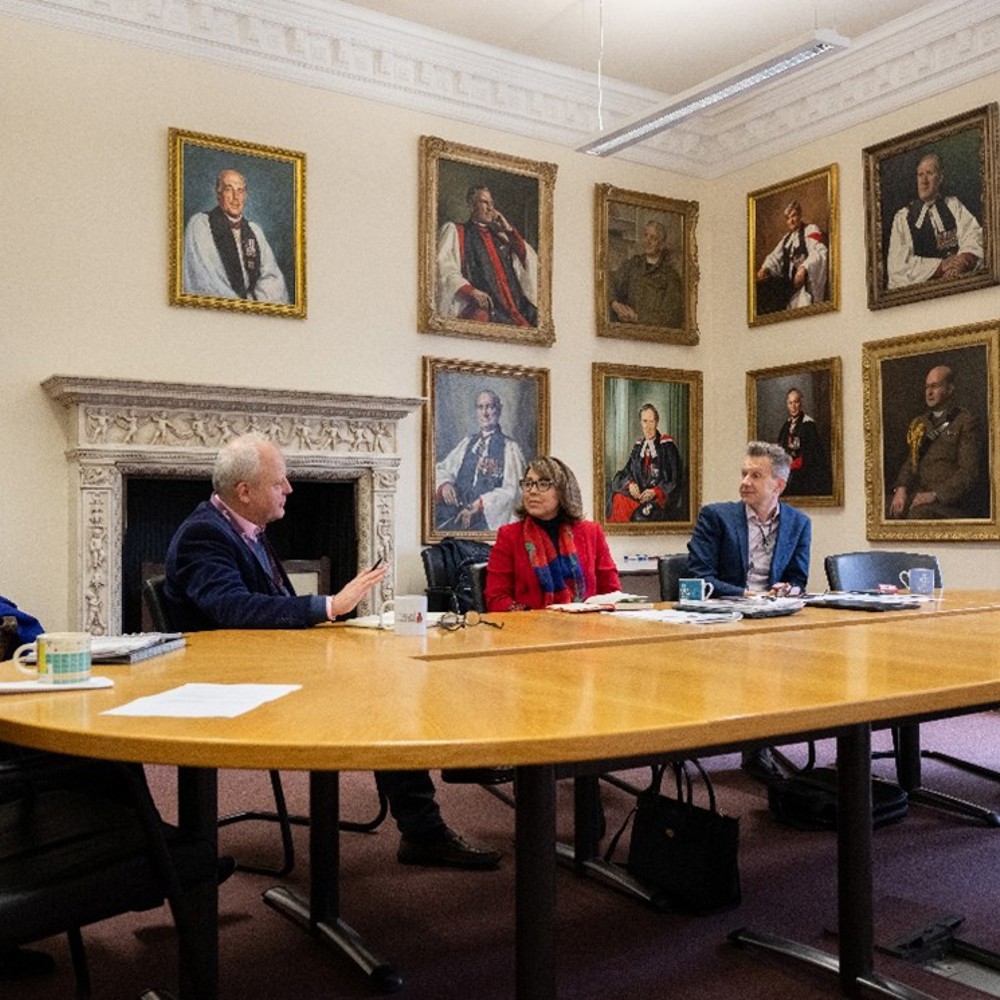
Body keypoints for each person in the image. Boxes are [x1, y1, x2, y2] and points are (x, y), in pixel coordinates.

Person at [163, 433, 501, 870]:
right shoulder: (204, 535)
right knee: (384, 695)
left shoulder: (245, 528)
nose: (289, 489)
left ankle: (425, 824)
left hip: (268, 663)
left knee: (385, 678)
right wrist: (329, 606)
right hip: (232, 683)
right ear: (244, 491)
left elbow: (266, 603)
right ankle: (423, 830)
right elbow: (231, 608)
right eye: (278, 482)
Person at [687, 441, 812, 781]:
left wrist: (788, 589)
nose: (745, 482)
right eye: (744, 473)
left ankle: (761, 746)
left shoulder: (799, 523)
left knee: (794, 658)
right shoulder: (716, 517)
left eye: (756, 476)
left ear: (778, 485)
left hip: (769, 618)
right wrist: (748, 594)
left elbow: (797, 577)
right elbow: (700, 576)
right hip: (721, 616)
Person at [484, 456, 620, 611]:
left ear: (563, 490)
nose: (532, 491)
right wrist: (534, 618)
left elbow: (612, 593)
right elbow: (496, 598)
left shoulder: (592, 533)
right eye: (528, 484)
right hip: (531, 630)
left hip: (587, 629)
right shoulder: (509, 536)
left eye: (543, 484)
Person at [888, 365, 984, 520]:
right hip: (918, 497)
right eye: (927, 387)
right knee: (885, 510)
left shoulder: (965, 421)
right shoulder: (921, 423)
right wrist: (901, 488)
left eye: (935, 386)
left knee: (917, 516)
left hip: (948, 504)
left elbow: (969, 472)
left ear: (950, 389)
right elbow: (911, 461)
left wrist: (935, 494)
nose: (929, 392)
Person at [435, 185, 538, 327]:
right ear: (471, 206)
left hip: (517, 311)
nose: (490, 208)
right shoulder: (457, 232)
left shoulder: (501, 237)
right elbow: (443, 267)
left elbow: (526, 259)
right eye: (484, 202)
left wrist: (509, 230)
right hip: (488, 310)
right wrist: (471, 291)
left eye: (492, 203)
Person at [183, 168, 290, 303]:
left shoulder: (255, 231)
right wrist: (239, 305)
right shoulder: (201, 225)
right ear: (218, 194)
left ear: (245, 195)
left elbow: (272, 279)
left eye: (240, 191)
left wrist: (255, 304)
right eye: (229, 189)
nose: (236, 197)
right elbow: (205, 280)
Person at [886, 152, 983, 290]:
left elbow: (974, 236)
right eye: (920, 175)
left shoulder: (953, 205)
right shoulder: (903, 217)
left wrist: (962, 262)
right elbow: (899, 266)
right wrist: (941, 266)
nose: (924, 181)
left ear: (940, 178)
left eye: (929, 173)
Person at [434, 389, 526, 531]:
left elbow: (514, 492)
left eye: (490, 406)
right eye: (481, 407)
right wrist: (445, 484)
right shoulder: (467, 443)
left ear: (499, 410)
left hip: (487, 521)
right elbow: (442, 468)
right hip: (455, 516)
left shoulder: (510, 448)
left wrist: (480, 504)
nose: (485, 413)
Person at [608, 403, 684, 522]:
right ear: (640, 423)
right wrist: (631, 484)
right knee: (618, 499)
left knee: (640, 516)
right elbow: (627, 472)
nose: (648, 427)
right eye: (644, 421)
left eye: (651, 422)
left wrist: (655, 491)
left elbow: (674, 478)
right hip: (639, 497)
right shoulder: (638, 447)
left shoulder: (667, 446)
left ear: (657, 422)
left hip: (658, 500)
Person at [755, 199, 828, 312]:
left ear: (800, 215)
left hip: (803, 287)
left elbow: (820, 251)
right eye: (788, 218)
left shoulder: (812, 230)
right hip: (787, 289)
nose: (791, 221)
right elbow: (774, 257)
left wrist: (804, 268)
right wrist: (765, 267)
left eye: (793, 216)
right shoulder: (786, 239)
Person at [608, 220, 683, 328]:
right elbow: (610, 282)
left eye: (653, 238)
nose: (647, 241)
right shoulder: (632, 265)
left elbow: (671, 317)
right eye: (646, 236)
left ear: (661, 245)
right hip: (625, 332)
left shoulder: (671, 276)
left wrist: (636, 317)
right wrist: (615, 305)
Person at [775, 388, 831, 496]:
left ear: (801, 403)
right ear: (787, 405)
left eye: (796, 402)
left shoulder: (808, 425)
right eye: (790, 403)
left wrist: (792, 465)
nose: (793, 406)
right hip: (788, 471)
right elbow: (780, 449)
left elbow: (810, 455)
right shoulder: (786, 425)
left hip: (804, 474)